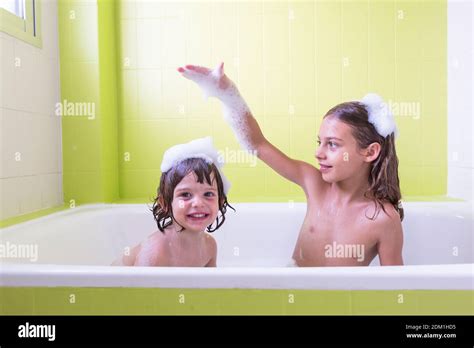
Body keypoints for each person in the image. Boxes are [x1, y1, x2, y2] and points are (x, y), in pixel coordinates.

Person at [178, 63, 403, 266]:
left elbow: (395, 286)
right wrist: (227, 93)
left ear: (370, 152)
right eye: (319, 142)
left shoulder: (383, 219)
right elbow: (257, 144)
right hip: (293, 297)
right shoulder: (314, 183)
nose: (319, 153)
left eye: (332, 145)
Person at [112, 137, 233, 267]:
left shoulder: (209, 246)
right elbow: (134, 287)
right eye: (185, 194)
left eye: (208, 194)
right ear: (165, 203)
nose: (198, 203)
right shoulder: (154, 254)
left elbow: (209, 285)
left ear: (220, 201)